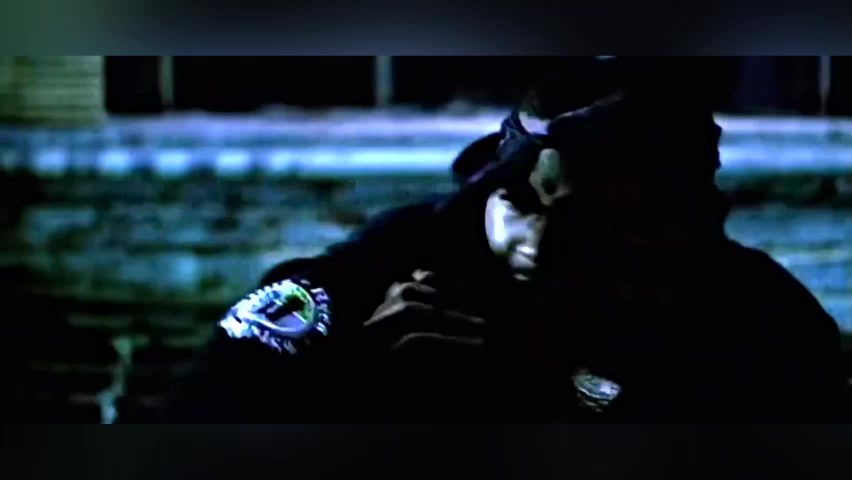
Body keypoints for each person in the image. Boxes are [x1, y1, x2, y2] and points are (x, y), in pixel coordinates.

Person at [160, 60, 845, 422]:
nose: (537, 247)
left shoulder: (755, 316)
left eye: (587, 224)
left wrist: (543, 386)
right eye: (521, 204)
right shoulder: (388, 265)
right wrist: (349, 378)